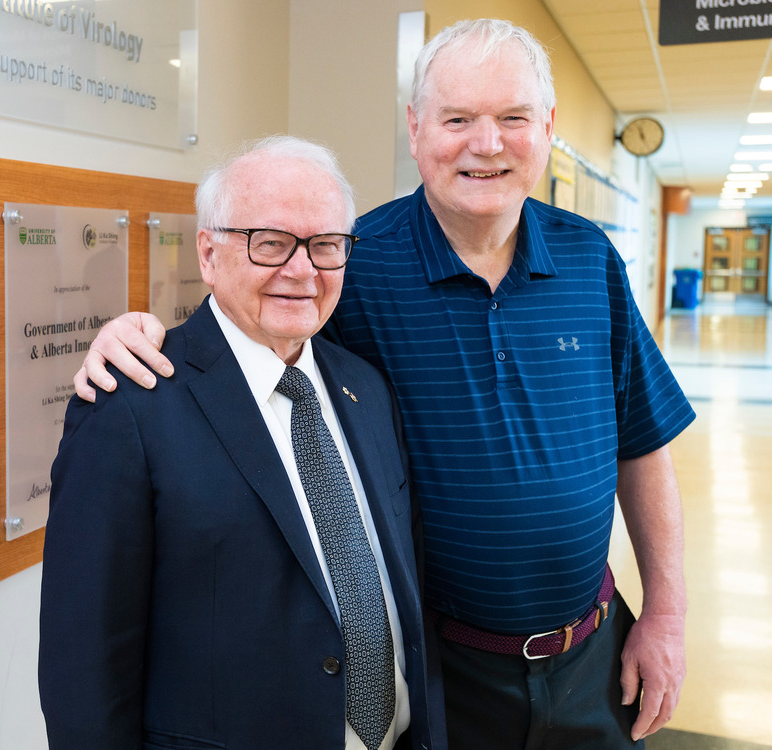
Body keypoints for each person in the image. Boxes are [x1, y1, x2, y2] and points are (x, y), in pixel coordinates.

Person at [72, 19, 696, 750]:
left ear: (548, 128)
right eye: (458, 119)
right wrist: (145, 335)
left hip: (592, 656)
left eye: (513, 119)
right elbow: (249, 341)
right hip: (442, 675)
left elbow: (643, 445)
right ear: (416, 128)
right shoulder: (356, 268)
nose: (486, 144)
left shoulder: (592, 261)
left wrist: (666, 615)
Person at [39, 135, 445, 750]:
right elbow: (84, 662)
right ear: (208, 252)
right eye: (272, 243)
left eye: (326, 246)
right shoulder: (131, 405)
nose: (303, 271)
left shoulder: (365, 388)